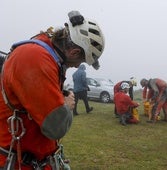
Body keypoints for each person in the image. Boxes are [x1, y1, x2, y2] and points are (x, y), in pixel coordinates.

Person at [0, 11, 105, 169]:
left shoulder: (45, 56)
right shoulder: (34, 57)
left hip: (33, 160)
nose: (76, 66)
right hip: (18, 163)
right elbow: (56, 127)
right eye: (80, 61)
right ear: (74, 52)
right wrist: (67, 105)